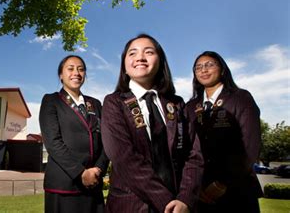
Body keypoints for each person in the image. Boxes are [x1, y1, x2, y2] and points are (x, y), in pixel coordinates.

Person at [101, 34, 203, 213]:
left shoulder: (177, 104)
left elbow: (194, 155)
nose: (140, 57)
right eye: (132, 53)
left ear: (160, 61)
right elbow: (124, 158)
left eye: (148, 52)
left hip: (179, 204)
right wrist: (166, 202)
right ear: (124, 65)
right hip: (131, 205)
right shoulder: (114, 103)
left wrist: (185, 199)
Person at [184, 51, 263, 213]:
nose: (203, 70)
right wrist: (192, 186)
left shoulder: (240, 98)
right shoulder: (190, 107)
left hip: (236, 192)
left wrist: (223, 183)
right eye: (198, 67)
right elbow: (184, 148)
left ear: (222, 70)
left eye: (209, 65)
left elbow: (250, 145)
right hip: (199, 194)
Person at [39, 55, 109, 213]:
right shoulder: (51, 101)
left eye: (81, 69)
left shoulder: (96, 104)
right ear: (61, 75)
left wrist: (98, 169)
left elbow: (107, 141)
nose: (76, 72)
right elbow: (53, 142)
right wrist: (80, 173)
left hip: (93, 184)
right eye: (70, 69)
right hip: (64, 185)